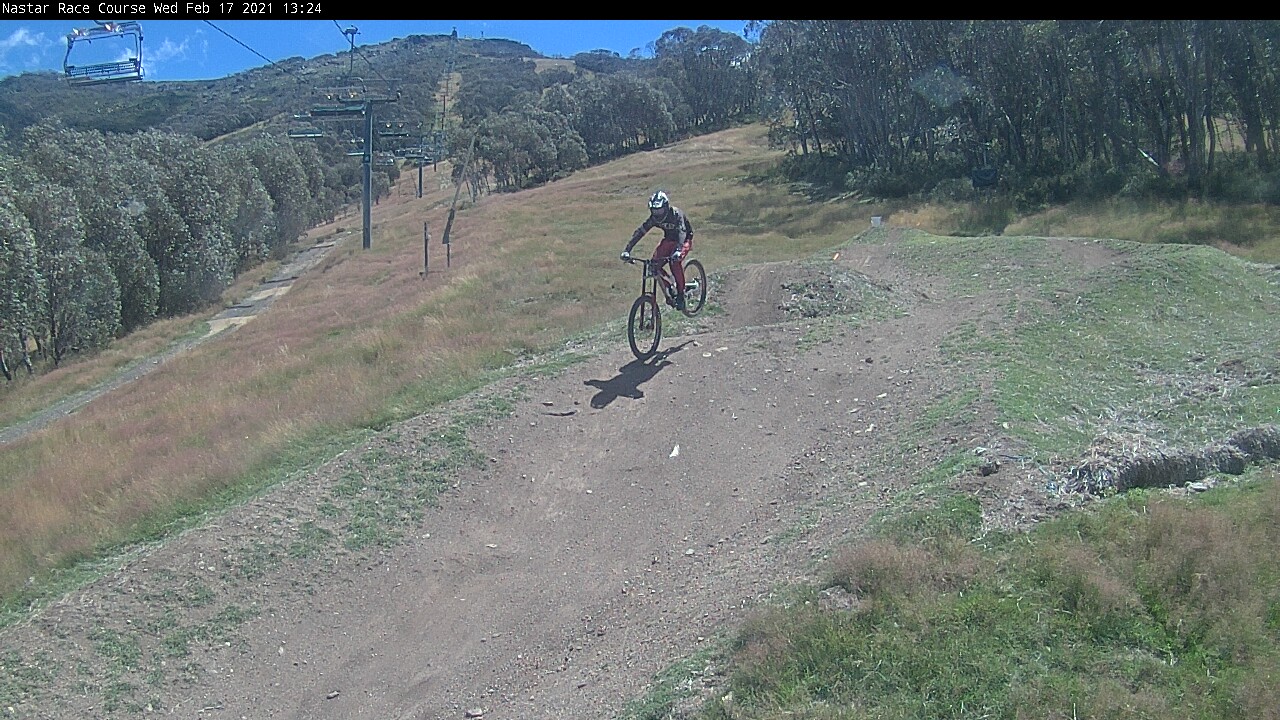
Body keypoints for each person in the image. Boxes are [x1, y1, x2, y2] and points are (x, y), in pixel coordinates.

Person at [620, 190, 694, 310]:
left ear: (666, 206)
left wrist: (679, 250)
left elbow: (682, 232)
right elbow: (640, 232)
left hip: (684, 239)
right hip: (669, 239)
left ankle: (681, 294)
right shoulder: (654, 219)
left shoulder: (676, 214)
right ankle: (669, 287)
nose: (657, 214)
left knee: (674, 262)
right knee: (653, 265)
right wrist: (627, 250)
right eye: (654, 211)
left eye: (659, 210)